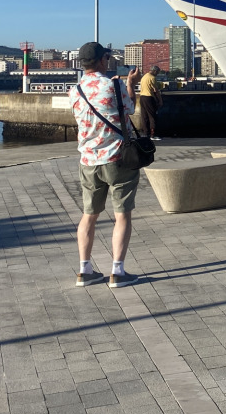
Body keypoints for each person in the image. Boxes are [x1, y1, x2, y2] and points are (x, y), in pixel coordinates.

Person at [68, 42, 142, 288]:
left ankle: (84, 270)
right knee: (122, 216)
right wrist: (130, 84)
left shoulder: (75, 90)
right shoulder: (113, 84)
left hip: (88, 160)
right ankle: (117, 272)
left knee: (89, 215)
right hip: (118, 157)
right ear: (103, 59)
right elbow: (129, 109)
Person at [137, 65, 162, 141]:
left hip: (142, 97)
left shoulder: (144, 77)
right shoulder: (152, 78)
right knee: (152, 116)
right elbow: (155, 90)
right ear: (154, 71)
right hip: (149, 98)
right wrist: (160, 100)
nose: (157, 74)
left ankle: (145, 133)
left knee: (144, 116)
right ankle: (152, 134)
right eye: (157, 72)